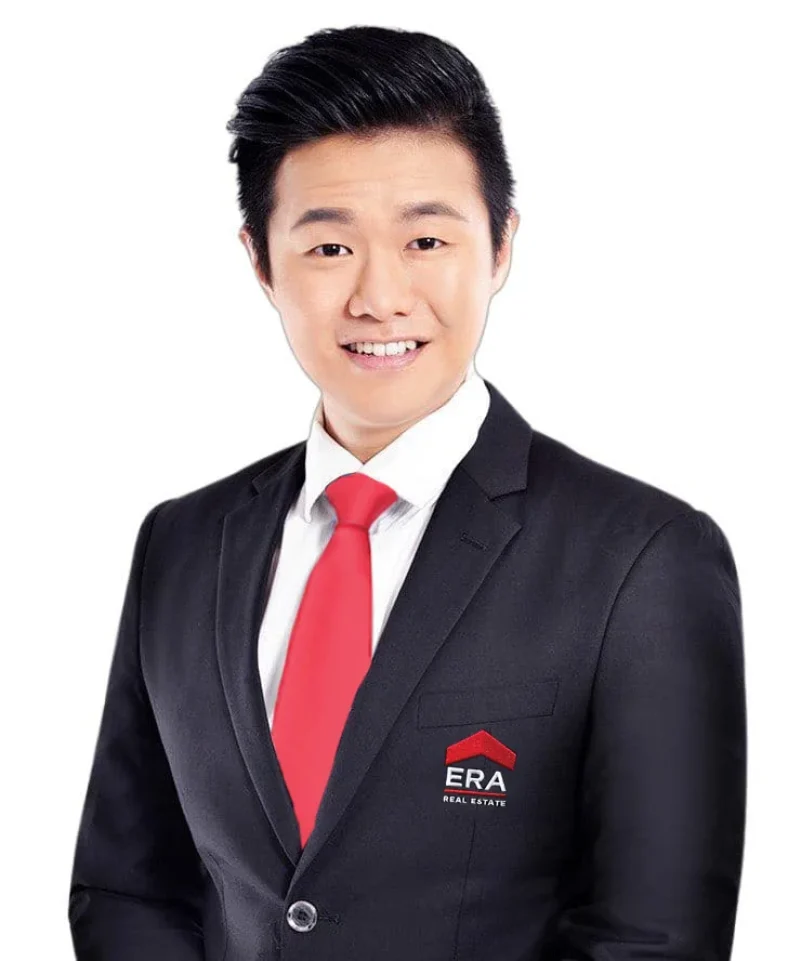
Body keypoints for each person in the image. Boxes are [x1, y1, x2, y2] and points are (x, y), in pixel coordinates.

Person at [67, 24, 747, 961]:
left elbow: (653, 941)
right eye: (328, 247)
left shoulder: (643, 559)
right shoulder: (183, 544)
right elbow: (128, 886)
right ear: (261, 261)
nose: (379, 296)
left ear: (500, 246)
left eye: (425, 238)